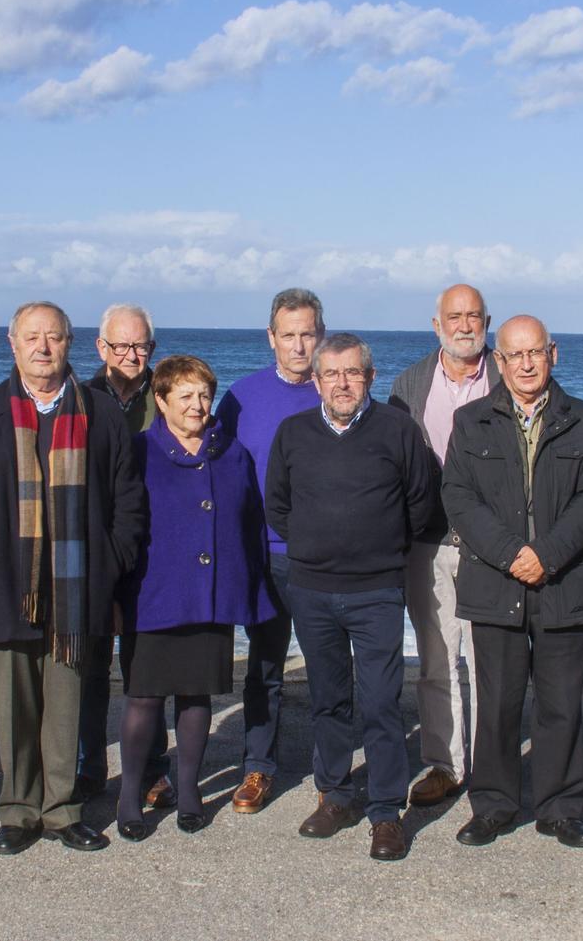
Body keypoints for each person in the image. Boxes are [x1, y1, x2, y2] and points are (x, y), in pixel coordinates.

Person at [0, 301, 148, 855]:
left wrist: (110, 560)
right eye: (32, 337)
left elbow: (128, 502)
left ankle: (62, 810)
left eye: (53, 337)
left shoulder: (99, 414)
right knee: (13, 708)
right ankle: (17, 810)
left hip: (79, 589)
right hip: (6, 584)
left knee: (66, 708)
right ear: (13, 343)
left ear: (69, 344)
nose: (43, 347)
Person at [266, 333, 439, 862]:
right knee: (329, 701)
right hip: (313, 592)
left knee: (383, 703)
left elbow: (422, 504)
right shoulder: (293, 432)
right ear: (316, 380)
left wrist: (378, 550)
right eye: (332, 374)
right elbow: (277, 505)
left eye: (352, 373)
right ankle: (335, 796)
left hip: (377, 592)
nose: (342, 383)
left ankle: (386, 814)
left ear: (370, 376)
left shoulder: (399, 430)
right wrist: (318, 548)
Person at [442, 315, 583, 850]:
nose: (526, 364)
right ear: (499, 360)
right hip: (497, 582)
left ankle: (560, 809)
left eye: (535, 352)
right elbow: (459, 497)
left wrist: (546, 555)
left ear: (552, 354)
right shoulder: (471, 422)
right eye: (515, 355)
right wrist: (512, 554)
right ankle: (493, 806)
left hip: (566, 582)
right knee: (497, 703)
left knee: (561, 702)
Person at [115, 355, 275, 841]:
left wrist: (252, 585)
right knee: (143, 698)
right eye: (184, 396)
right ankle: (128, 798)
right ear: (160, 401)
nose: (198, 405)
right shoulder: (138, 451)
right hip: (153, 593)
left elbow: (250, 523)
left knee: (195, 695)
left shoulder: (233, 452)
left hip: (210, 593)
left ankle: (188, 793)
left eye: (204, 394)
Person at [385, 283, 497, 807]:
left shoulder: (509, 376)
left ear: (487, 321)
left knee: (490, 660)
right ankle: (444, 764)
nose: (464, 325)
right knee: (435, 661)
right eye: (454, 316)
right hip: (427, 545)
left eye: (474, 315)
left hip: (493, 547)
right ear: (437, 325)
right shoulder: (409, 385)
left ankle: (493, 766)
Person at [215, 286, 324, 814]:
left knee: (330, 667)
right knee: (265, 667)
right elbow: (218, 470)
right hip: (264, 555)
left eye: (307, 334)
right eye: (289, 335)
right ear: (271, 338)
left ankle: (333, 772)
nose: (299, 345)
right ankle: (258, 767)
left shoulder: (338, 390)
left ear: (319, 336)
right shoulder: (241, 396)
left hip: (325, 558)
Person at [76, 302, 166, 806]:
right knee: (89, 666)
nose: (132, 355)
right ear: (102, 347)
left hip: (155, 548)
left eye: (141, 345)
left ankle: (152, 769)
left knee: (147, 666)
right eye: (121, 345)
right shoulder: (80, 399)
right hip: (97, 547)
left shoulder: (169, 393)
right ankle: (90, 766)